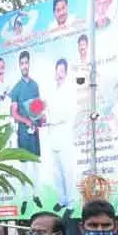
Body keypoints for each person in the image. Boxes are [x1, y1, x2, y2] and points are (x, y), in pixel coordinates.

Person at [39, 58, 79, 211]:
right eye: (58, 70)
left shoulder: (69, 90)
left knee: (66, 170)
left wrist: (48, 119)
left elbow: (65, 113)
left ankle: (70, 203)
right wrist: (40, 115)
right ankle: (61, 200)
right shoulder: (51, 89)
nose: (60, 74)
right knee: (55, 170)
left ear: (66, 73)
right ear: (55, 71)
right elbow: (44, 107)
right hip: (52, 135)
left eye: (63, 71)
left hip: (64, 135)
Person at [8, 51, 43, 173]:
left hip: (34, 133)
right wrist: (26, 121)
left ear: (29, 64)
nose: (24, 66)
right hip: (23, 133)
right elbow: (14, 113)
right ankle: (26, 193)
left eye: (26, 63)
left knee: (36, 166)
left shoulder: (35, 85)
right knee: (25, 169)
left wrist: (41, 119)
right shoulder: (16, 88)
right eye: (22, 63)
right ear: (19, 66)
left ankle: (37, 192)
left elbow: (37, 109)